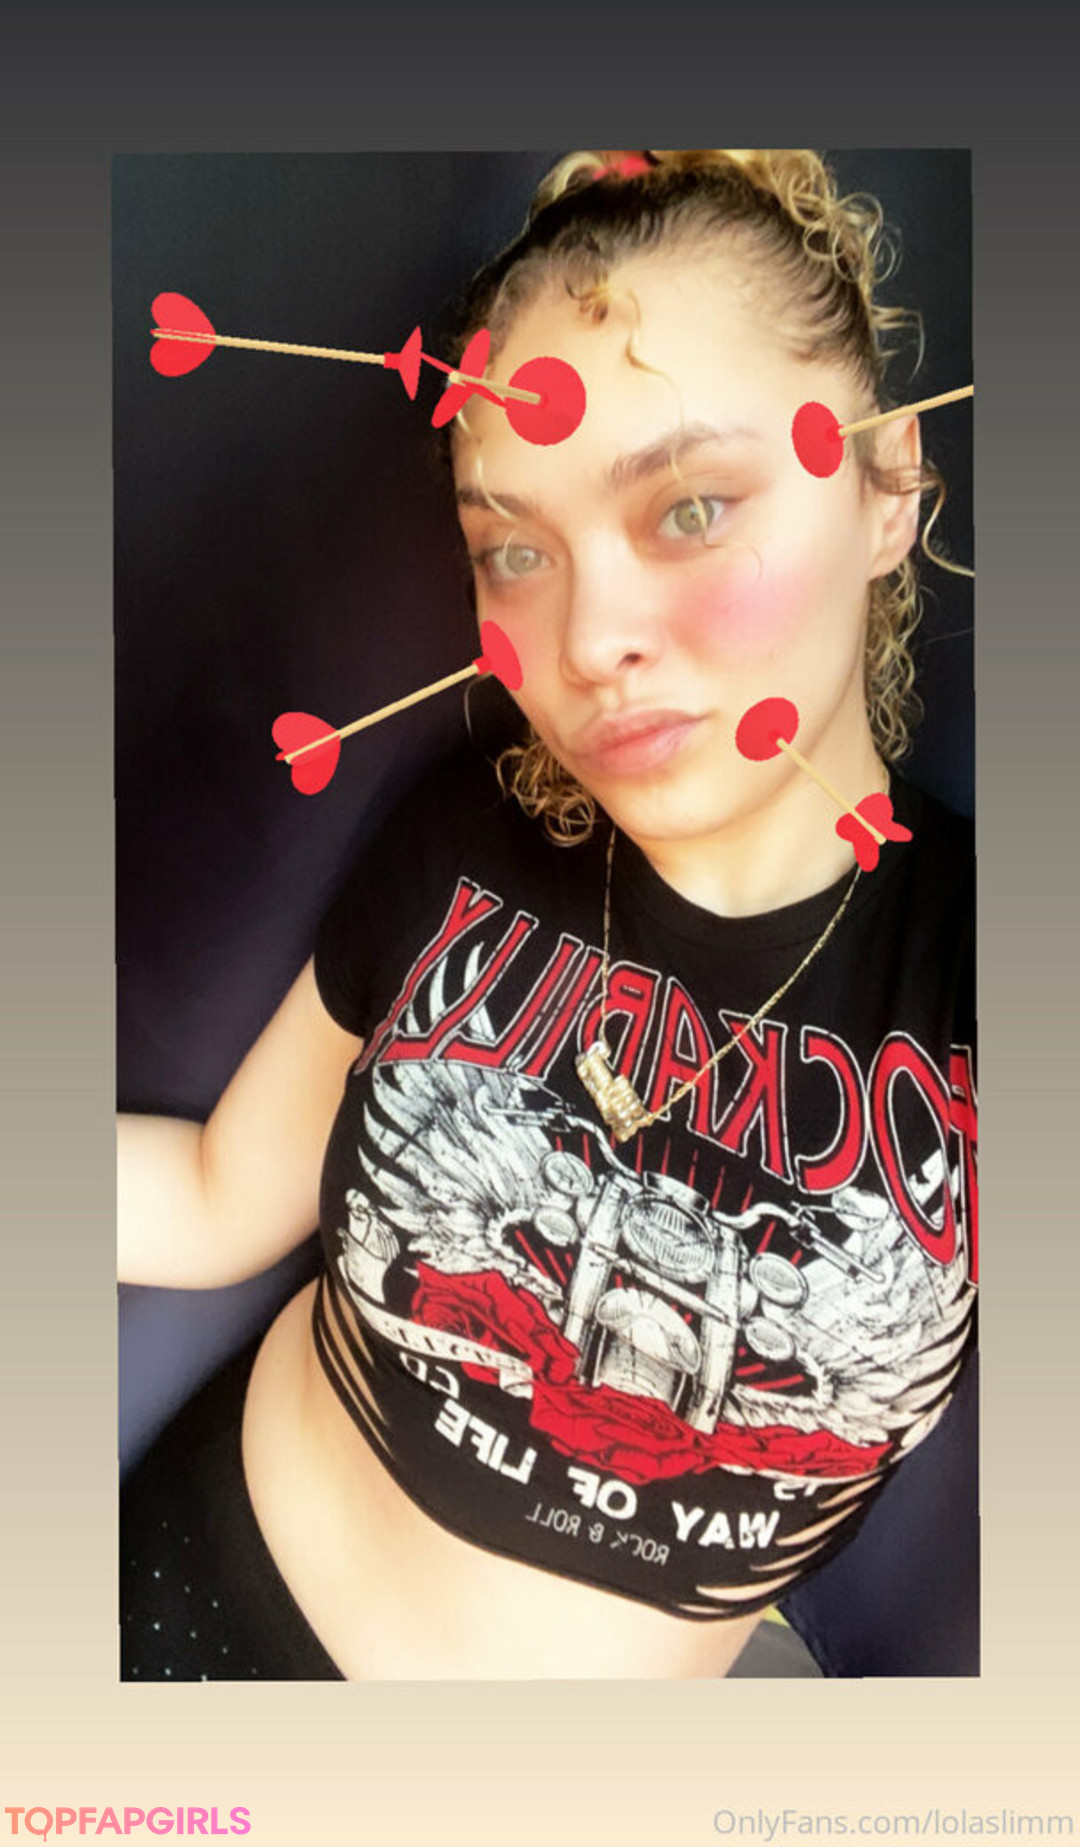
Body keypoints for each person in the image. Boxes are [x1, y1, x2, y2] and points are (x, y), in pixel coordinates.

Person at [118, 148, 976, 1681]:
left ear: (889, 484)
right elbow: (212, 1196)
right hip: (179, 1624)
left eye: (691, 507)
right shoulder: (471, 842)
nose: (587, 640)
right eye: (514, 550)